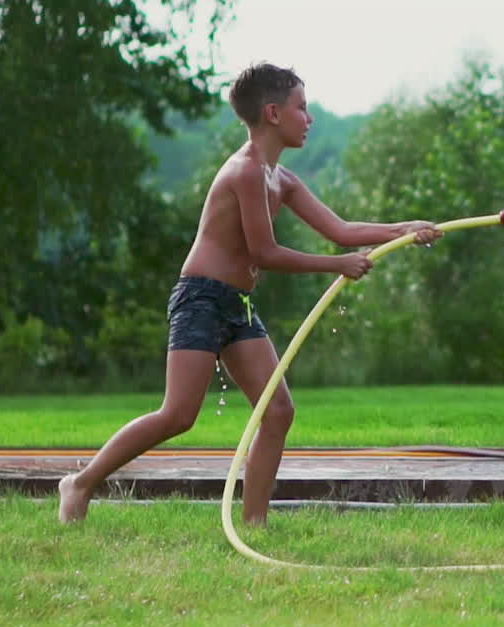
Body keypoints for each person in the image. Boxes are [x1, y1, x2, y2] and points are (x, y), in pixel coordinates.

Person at [59, 63, 443, 525]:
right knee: (178, 415)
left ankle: (255, 523)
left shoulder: (282, 179)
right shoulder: (245, 172)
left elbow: (340, 229)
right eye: (302, 108)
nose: (310, 118)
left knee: (278, 410)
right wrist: (336, 265)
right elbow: (265, 252)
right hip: (201, 300)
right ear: (273, 113)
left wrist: (405, 229)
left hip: (237, 305)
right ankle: (80, 483)